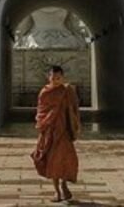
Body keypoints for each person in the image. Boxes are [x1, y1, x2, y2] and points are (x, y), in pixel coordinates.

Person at [32, 64, 80, 203]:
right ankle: (57, 191)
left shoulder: (67, 91)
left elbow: (74, 108)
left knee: (65, 159)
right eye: (53, 77)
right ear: (49, 77)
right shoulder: (45, 92)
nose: (56, 80)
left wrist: (74, 125)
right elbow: (41, 111)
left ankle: (64, 184)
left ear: (62, 77)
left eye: (58, 77)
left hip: (64, 132)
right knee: (52, 161)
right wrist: (43, 124)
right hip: (50, 132)